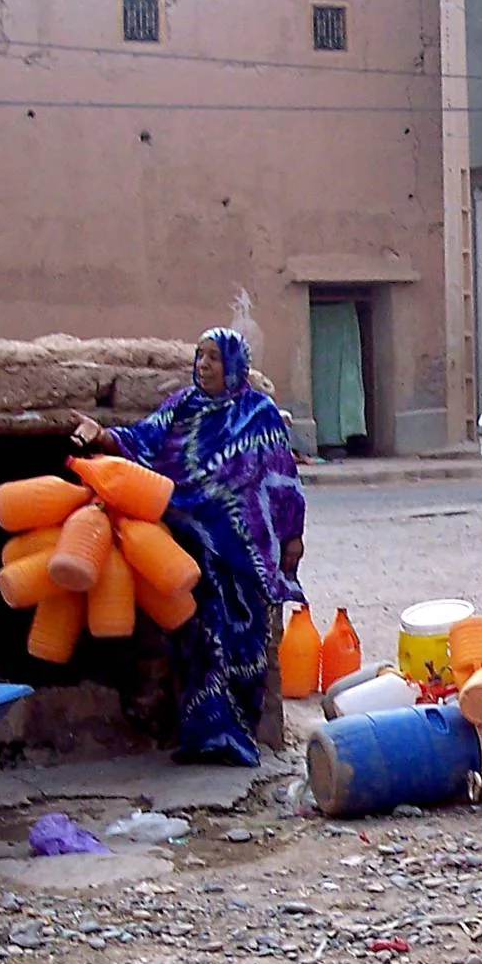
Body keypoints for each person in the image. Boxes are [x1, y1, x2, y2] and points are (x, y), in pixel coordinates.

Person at [73, 328, 307, 767]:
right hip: (191, 543)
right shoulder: (182, 406)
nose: (204, 365)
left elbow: (283, 480)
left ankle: (240, 739)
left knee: (245, 641)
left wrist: (292, 535)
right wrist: (101, 435)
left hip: (244, 552)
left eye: (214, 358)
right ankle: (204, 738)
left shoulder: (259, 414)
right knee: (198, 637)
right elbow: (142, 440)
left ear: (235, 365)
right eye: (200, 356)